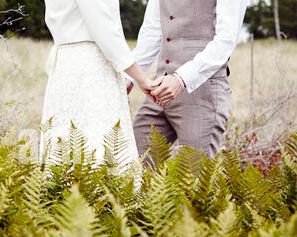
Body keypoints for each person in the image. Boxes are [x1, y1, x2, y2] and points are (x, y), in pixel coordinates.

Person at [126, 0, 248, 161]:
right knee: (133, 165)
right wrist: (129, 78)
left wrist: (181, 79)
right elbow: (152, 33)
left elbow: (226, 41)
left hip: (202, 96)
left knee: (195, 178)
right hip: (159, 91)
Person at [41, 0, 157, 167]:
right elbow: (105, 31)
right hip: (90, 68)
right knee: (97, 141)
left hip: (66, 67)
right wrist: (141, 79)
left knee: (69, 141)